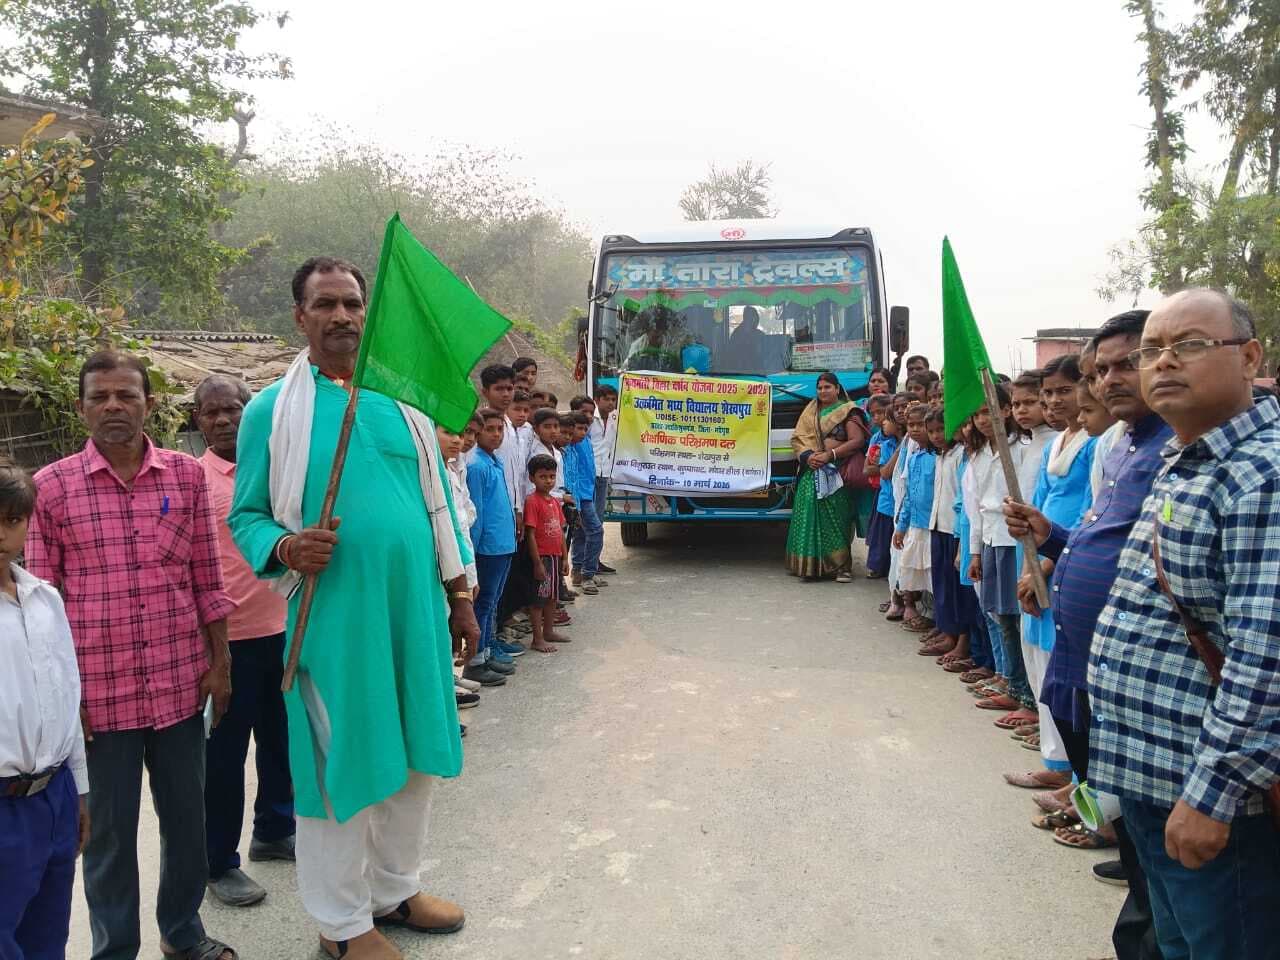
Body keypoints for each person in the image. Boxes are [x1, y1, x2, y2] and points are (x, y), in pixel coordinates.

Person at [228, 256, 476, 960]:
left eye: (352, 304)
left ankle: (395, 890)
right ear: (300, 317)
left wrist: (459, 595)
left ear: (368, 314)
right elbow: (246, 515)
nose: (342, 316)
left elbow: (437, 505)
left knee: (415, 759)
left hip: (413, 617)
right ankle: (341, 925)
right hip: (333, 625)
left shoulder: (404, 403)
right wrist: (285, 547)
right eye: (325, 304)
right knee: (342, 766)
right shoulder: (273, 411)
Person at [25, 350, 238, 960]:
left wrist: (220, 663)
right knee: (110, 835)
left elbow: (206, 576)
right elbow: (41, 607)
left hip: (179, 683)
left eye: (127, 395)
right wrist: (61, 702)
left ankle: (183, 932)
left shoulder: (185, 476)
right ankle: (115, 949)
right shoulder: (51, 487)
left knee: (187, 821)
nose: (114, 406)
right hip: (98, 697)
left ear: (150, 404)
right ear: (81, 408)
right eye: (101, 397)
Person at [1089, 290, 1280, 959]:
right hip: (1156, 776)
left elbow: (1266, 655)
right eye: (1152, 351)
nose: (1164, 362)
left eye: (1190, 345)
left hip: (1215, 800)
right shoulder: (1189, 458)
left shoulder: (1262, 475)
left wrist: (1213, 794)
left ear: (1249, 357)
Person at [1004, 309, 1168, 960]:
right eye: (1102, 369)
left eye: (1130, 362)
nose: (1110, 379)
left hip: (1135, 675)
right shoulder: (1124, 447)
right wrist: (1051, 537)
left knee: (1169, 870)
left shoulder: (1187, 452)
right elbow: (1101, 539)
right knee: (1138, 839)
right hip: (1083, 656)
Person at [193, 375, 295, 910]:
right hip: (227, 643)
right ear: (198, 420)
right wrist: (212, 652)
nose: (223, 420)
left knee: (281, 740)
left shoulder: (275, 471)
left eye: (232, 409)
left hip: (282, 629)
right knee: (224, 759)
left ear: (250, 412)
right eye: (211, 412)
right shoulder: (194, 479)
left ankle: (275, 830)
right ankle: (218, 862)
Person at [0, 458, 89, 960]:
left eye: (12, 520)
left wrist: (79, 791)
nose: (1, 534)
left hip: (54, 793)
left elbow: (66, 696)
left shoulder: (45, 600)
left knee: (48, 935)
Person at [1005, 355, 1093, 791]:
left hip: (1067, 563)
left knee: (1066, 670)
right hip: (1037, 562)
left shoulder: (1095, 444)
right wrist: (1028, 565)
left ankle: (1076, 774)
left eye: (1064, 391)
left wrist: (1046, 563)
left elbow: (1089, 512)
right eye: (1048, 393)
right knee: (1040, 664)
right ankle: (1054, 759)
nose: (1054, 401)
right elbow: (1037, 507)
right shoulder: (1057, 444)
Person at [784, 371, 863, 582]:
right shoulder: (810, 411)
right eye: (819, 388)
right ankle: (811, 568)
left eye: (827, 387)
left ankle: (842, 567)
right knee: (808, 515)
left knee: (836, 519)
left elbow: (857, 440)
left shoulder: (848, 410)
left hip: (837, 471)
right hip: (812, 469)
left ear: (837, 389)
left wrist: (831, 454)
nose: (823, 391)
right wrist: (808, 457)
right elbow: (798, 438)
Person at [464, 408, 519, 687]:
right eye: (490, 429)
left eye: (500, 429)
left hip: (502, 544)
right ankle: (474, 661)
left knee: (492, 601)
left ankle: (485, 652)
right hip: (488, 547)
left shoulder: (494, 461)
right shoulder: (476, 466)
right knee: (483, 603)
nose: (496, 435)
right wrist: (473, 552)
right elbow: (476, 513)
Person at [891, 403, 937, 628]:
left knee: (934, 575)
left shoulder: (939, 457)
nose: (916, 429)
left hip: (934, 526)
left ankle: (939, 622)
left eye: (921, 425)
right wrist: (902, 526)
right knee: (918, 573)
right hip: (916, 525)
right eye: (911, 425)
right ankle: (926, 613)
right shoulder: (914, 456)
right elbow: (909, 495)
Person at [524, 454, 568, 651]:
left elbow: (560, 531)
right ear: (532, 478)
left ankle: (549, 631)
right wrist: (537, 563)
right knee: (538, 600)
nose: (548, 481)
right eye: (543, 476)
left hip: (555, 556)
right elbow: (530, 534)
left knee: (552, 597)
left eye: (552, 476)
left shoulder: (555, 502)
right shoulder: (532, 501)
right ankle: (537, 638)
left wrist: (565, 558)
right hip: (542, 558)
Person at [565, 407, 605, 595]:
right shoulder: (569, 448)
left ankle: (579, 571)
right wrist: (577, 502)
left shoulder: (585, 442)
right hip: (579, 497)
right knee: (596, 530)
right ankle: (587, 573)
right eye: (578, 428)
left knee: (581, 533)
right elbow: (571, 477)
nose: (582, 432)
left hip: (588, 493)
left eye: (585, 428)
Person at [590, 383, 619, 576]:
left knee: (599, 520)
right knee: (587, 522)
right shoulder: (589, 419)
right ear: (597, 400)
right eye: (606, 399)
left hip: (604, 474)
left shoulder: (615, 418)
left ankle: (594, 561)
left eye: (613, 399)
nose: (610, 403)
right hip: (589, 474)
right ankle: (584, 566)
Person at [723, 305, 766, 372]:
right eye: (753, 318)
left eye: (756, 318)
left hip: (759, 373)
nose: (756, 321)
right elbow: (734, 356)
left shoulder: (759, 334)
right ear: (747, 318)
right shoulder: (737, 335)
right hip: (740, 373)